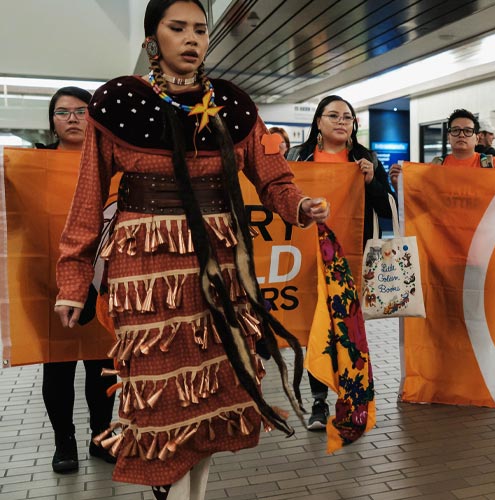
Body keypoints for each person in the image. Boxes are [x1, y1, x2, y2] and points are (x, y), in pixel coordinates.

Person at [53, 1, 329, 498]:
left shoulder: (233, 104)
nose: (191, 39)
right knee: (164, 398)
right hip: (147, 272)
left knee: (209, 395)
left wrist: (300, 205)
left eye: (200, 29)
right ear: (150, 39)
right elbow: (88, 198)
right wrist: (73, 282)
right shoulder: (118, 101)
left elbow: (273, 177)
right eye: (177, 28)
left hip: (219, 269)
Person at [286, 95, 393, 431]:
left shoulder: (364, 158)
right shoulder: (298, 157)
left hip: (348, 260)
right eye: (333, 115)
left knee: (345, 331)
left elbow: (387, 207)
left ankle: (347, 400)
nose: (341, 121)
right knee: (316, 328)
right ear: (318, 121)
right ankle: (318, 401)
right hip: (305, 256)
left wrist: (371, 181)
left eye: (347, 116)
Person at [35, 86, 118, 474]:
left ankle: (101, 436)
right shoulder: (31, 164)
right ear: (51, 121)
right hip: (51, 282)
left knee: (102, 364)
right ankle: (63, 442)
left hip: (104, 283)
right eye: (62, 112)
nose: (72, 118)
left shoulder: (114, 166)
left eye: (81, 111)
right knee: (58, 365)